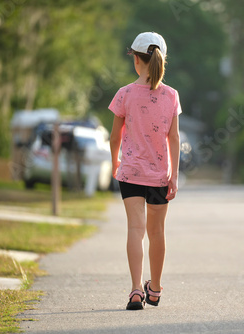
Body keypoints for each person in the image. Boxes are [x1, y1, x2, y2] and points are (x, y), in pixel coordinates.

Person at [108, 32, 181, 310]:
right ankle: (156, 289)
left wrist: (115, 161)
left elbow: (115, 137)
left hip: (131, 175)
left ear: (136, 61)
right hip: (159, 176)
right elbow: (174, 138)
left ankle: (136, 290)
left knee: (135, 230)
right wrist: (173, 175)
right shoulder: (172, 96)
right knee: (158, 233)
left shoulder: (124, 94)